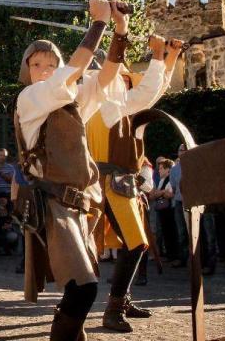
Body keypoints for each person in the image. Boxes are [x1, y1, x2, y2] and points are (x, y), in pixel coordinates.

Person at [15, 0, 125, 341]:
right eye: (37, 64)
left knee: (78, 290)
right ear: (28, 71)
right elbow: (74, 71)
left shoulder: (73, 101)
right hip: (53, 205)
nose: (45, 70)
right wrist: (99, 22)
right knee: (83, 289)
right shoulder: (30, 99)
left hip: (81, 207)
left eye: (52, 63)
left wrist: (120, 27)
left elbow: (106, 73)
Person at [85, 35, 183, 332]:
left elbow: (151, 92)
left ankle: (120, 301)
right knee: (131, 244)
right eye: (125, 80)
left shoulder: (116, 107)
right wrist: (157, 54)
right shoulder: (109, 105)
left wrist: (170, 57)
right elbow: (146, 93)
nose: (130, 85)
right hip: (108, 184)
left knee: (130, 245)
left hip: (116, 184)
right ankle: (112, 310)